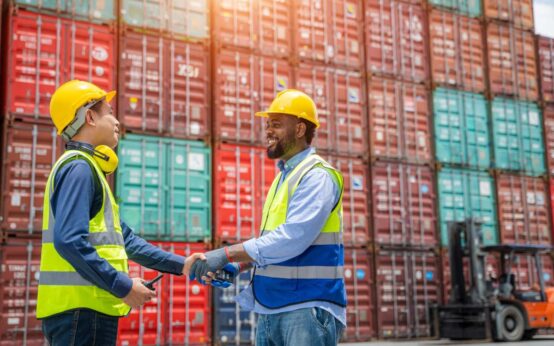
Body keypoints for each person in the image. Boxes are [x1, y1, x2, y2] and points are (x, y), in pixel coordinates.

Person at [185, 89, 347, 346]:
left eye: (276, 124)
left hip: (306, 308)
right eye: (267, 125)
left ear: (300, 129)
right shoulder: (283, 178)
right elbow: (271, 242)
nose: (268, 131)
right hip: (272, 307)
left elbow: (293, 239)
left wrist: (225, 254)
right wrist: (239, 266)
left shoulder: (317, 175)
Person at [37, 80, 188, 346]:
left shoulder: (86, 168)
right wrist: (122, 285)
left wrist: (182, 264)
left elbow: (125, 241)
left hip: (81, 312)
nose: (117, 121)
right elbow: (69, 241)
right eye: (109, 112)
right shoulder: (80, 169)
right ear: (90, 116)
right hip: (82, 314)